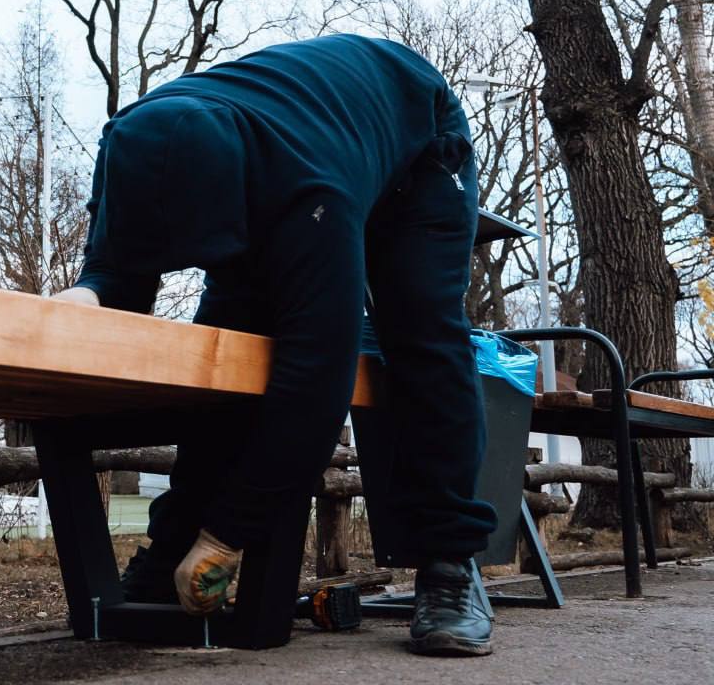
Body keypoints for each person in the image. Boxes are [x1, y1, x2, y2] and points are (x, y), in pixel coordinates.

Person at [53, 33, 498, 656]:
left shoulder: (310, 197)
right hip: (285, 138)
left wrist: (226, 534)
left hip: (415, 137)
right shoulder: (129, 145)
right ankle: (170, 544)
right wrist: (88, 298)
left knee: (421, 332)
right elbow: (116, 274)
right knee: (226, 353)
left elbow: (316, 386)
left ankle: (449, 564)